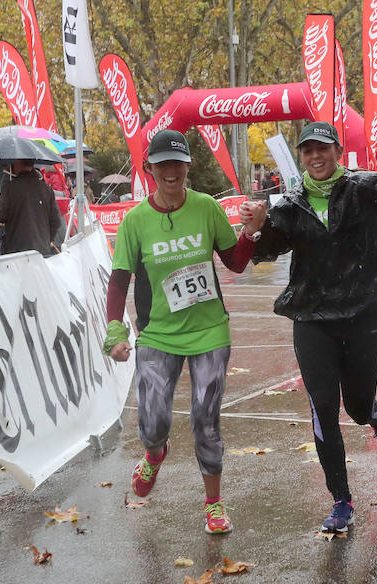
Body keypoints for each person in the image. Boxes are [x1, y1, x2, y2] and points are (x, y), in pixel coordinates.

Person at [239, 120, 377, 533]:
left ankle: (375, 416)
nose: (315, 156)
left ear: (337, 151)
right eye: (307, 151)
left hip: (363, 315)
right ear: (303, 157)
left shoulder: (367, 190)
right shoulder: (290, 204)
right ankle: (341, 500)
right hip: (312, 320)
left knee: (356, 408)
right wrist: (256, 229)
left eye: (322, 148)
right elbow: (266, 252)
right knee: (323, 406)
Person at [103, 129, 264, 535]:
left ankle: (214, 502)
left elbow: (236, 263)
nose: (171, 171)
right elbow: (119, 281)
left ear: (188, 166)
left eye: (178, 163)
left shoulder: (207, 208)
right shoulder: (135, 222)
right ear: (150, 169)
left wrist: (253, 232)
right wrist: (115, 331)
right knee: (153, 422)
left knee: (205, 420)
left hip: (210, 331)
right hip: (158, 335)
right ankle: (154, 455)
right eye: (162, 164)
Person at [0, 158, 63, 256]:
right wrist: (46, 239)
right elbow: (56, 221)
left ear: (18, 162)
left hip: (16, 251)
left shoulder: (10, 188)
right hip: (42, 251)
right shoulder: (46, 189)